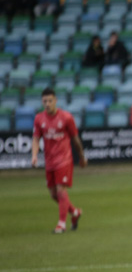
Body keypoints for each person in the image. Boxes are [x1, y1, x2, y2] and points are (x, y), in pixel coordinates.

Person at [30, 88, 86, 234]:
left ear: (55, 101)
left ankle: (61, 224)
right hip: (49, 161)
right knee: (53, 194)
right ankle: (74, 212)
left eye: (50, 101)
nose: (47, 104)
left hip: (64, 159)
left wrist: (81, 157)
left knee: (61, 191)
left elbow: (75, 139)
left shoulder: (66, 117)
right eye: (45, 101)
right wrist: (34, 155)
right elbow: (36, 138)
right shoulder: (39, 119)